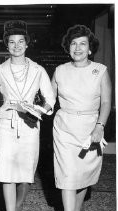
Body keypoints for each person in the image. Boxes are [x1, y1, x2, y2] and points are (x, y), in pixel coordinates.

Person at [0, 20, 55, 211]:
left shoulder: (38, 70)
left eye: (21, 41)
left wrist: (37, 111)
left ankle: (18, 205)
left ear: (27, 44)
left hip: (30, 125)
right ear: (6, 44)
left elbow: (50, 100)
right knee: (6, 172)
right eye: (12, 42)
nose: (17, 46)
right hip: (6, 126)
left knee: (26, 173)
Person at [51, 24, 112, 211]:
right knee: (67, 176)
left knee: (83, 175)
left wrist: (100, 126)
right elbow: (49, 100)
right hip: (64, 128)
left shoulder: (100, 70)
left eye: (82, 44)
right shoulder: (60, 70)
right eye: (73, 44)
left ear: (90, 47)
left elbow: (106, 103)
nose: (77, 48)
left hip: (91, 128)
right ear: (68, 48)